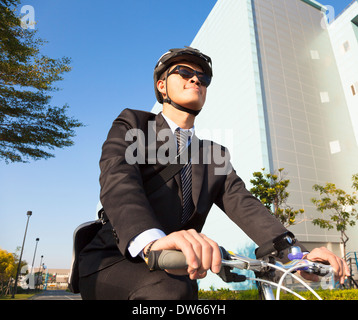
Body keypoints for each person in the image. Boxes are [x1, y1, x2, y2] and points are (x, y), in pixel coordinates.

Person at [78, 47, 350, 300]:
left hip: (180, 267)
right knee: (171, 291)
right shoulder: (134, 124)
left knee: (181, 288)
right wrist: (152, 240)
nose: (195, 80)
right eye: (184, 72)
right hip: (114, 258)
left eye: (202, 77)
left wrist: (296, 254)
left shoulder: (213, 155)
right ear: (162, 86)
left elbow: (244, 203)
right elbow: (118, 179)